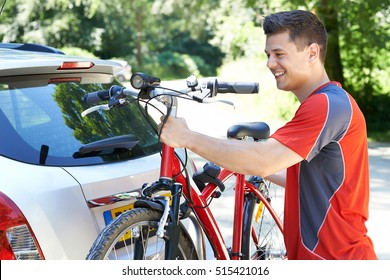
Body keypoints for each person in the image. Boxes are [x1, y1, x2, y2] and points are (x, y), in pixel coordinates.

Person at [158, 10, 377, 260]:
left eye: (279, 54)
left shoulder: (327, 105)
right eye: (268, 55)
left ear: (312, 53)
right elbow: (307, 178)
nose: (270, 64)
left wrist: (186, 137)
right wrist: (235, 158)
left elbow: (265, 159)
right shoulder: (326, 103)